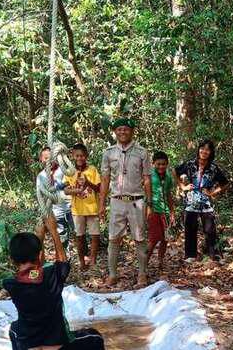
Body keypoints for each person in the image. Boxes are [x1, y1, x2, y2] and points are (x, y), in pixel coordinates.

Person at [3, 214, 105, 350]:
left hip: (28, 348)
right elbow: (61, 262)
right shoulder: (52, 276)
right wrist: (53, 232)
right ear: (39, 254)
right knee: (95, 339)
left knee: (13, 329)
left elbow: (33, 272)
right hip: (59, 347)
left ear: (12, 260)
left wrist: (39, 236)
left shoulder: (10, 284)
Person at [99, 118, 152, 287]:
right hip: (117, 201)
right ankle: (113, 274)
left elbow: (147, 178)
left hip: (137, 201)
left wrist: (149, 203)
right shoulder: (109, 153)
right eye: (119, 129)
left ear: (132, 131)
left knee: (139, 238)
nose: (122, 132)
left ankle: (142, 273)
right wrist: (102, 204)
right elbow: (105, 179)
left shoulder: (142, 152)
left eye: (126, 129)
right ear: (115, 132)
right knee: (114, 238)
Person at [176, 139, 229, 263]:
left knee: (210, 230)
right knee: (190, 228)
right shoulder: (190, 164)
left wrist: (212, 193)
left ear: (211, 152)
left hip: (206, 203)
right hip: (191, 201)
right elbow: (175, 171)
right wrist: (183, 187)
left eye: (207, 149)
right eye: (202, 148)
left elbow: (225, 183)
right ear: (198, 149)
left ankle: (214, 255)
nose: (204, 151)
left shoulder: (213, 168)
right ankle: (190, 256)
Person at [63, 143, 101, 272]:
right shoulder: (70, 171)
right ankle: (82, 262)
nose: (80, 158)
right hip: (77, 210)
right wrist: (76, 190)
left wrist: (87, 182)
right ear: (73, 156)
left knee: (95, 235)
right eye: (77, 156)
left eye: (82, 156)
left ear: (86, 156)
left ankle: (93, 261)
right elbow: (65, 190)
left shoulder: (92, 170)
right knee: (79, 236)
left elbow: (99, 188)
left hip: (92, 208)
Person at [35, 144, 73, 251]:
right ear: (41, 159)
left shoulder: (63, 170)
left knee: (77, 233)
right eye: (45, 158)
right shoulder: (41, 176)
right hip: (56, 211)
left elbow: (70, 181)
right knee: (61, 236)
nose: (48, 161)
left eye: (50, 158)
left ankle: (82, 255)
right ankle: (63, 255)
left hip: (70, 207)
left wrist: (60, 186)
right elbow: (40, 193)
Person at [146, 151, 176, 272]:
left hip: (165, 212)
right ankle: (144, 264)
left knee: (165, 238)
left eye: (163, 164)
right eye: (158, 164)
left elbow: (168, 195)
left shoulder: (168, 177)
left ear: (167, 164)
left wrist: (172, 212)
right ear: (153, 163)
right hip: (153, 210)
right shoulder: (149, 175)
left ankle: (160, 261)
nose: (161, 166)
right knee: (153, 239)